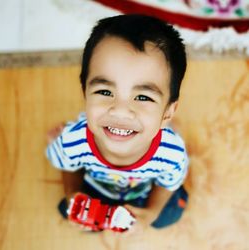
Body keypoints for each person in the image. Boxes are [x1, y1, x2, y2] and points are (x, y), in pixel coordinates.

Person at [46, 14, 189, 231]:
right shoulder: (72, 139)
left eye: (143, 97)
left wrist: (150, 214)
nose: (121, 111)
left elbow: (168, 183)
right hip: (97, 189)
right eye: (104, 91)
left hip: (144, 191)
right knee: (65, 209)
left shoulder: (172, 153)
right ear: (85, 92)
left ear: (168, 112)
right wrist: (73, 196)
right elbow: (68, 165)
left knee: (168, 215)